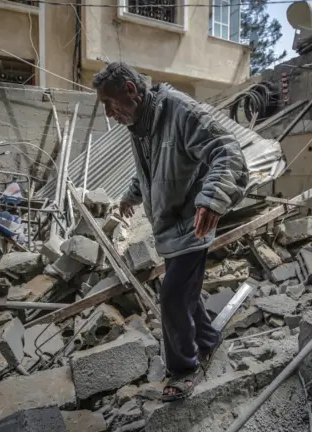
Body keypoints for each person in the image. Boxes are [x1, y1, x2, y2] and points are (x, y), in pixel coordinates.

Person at [92, 62, 249, 401]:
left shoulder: (180, 111)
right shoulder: (141, 124)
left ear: (131, 91)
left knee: (173, 297)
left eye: (109, 102)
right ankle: (208, 340)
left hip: (194, 223)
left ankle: (183, 370)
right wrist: (131, 195)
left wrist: (213, 198)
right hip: (169, 228)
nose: (108, 112)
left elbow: (227, 151)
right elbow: (148, 169)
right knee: (184, 294)